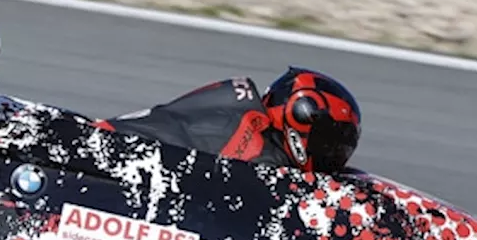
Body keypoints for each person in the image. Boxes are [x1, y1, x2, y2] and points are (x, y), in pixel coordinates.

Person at [98, 66, 362, 173]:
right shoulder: (261, 158)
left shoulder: (243, 114)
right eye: (328, 141)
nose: (334, 153)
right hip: (106, 160)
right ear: (299, 118)